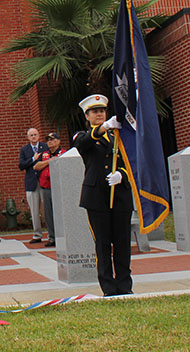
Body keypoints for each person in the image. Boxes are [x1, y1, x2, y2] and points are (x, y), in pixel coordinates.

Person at [73, 94, 133, 296]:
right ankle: (108, 287)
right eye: (94, 112)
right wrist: (104, 128)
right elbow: (83, 144)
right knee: (103, 244)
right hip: (97, 197)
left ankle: (125, 286)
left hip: (120, 196)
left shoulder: (121, 136)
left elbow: (132, 161)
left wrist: (122, 175)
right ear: (87, 116)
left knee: (123, 243)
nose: (99, 114)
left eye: (102, 111)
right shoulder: (83, 135)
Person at [18, 128, 50, 244]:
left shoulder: (45, 147)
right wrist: (32, 159)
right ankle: (37, 234)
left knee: (48, 209)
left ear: (39, 135)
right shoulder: (24, 150)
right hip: (31, 183)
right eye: (31, 135)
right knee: (34, 210)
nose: (33, 137)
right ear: (28, 137)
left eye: (35, 134)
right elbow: (21, 165)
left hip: (45, 182)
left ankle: (52, 234)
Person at [35, 132, 64, 247]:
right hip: (46, 188)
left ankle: (62, 237)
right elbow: (36, 166)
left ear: (58, 141)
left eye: (52, 140)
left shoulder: (63, 153)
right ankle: (52, 238)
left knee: (60, 213)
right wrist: (49, 161)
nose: (50, 142)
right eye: (48, 140)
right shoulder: (44, 154)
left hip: (59, 188)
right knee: (49, 214)